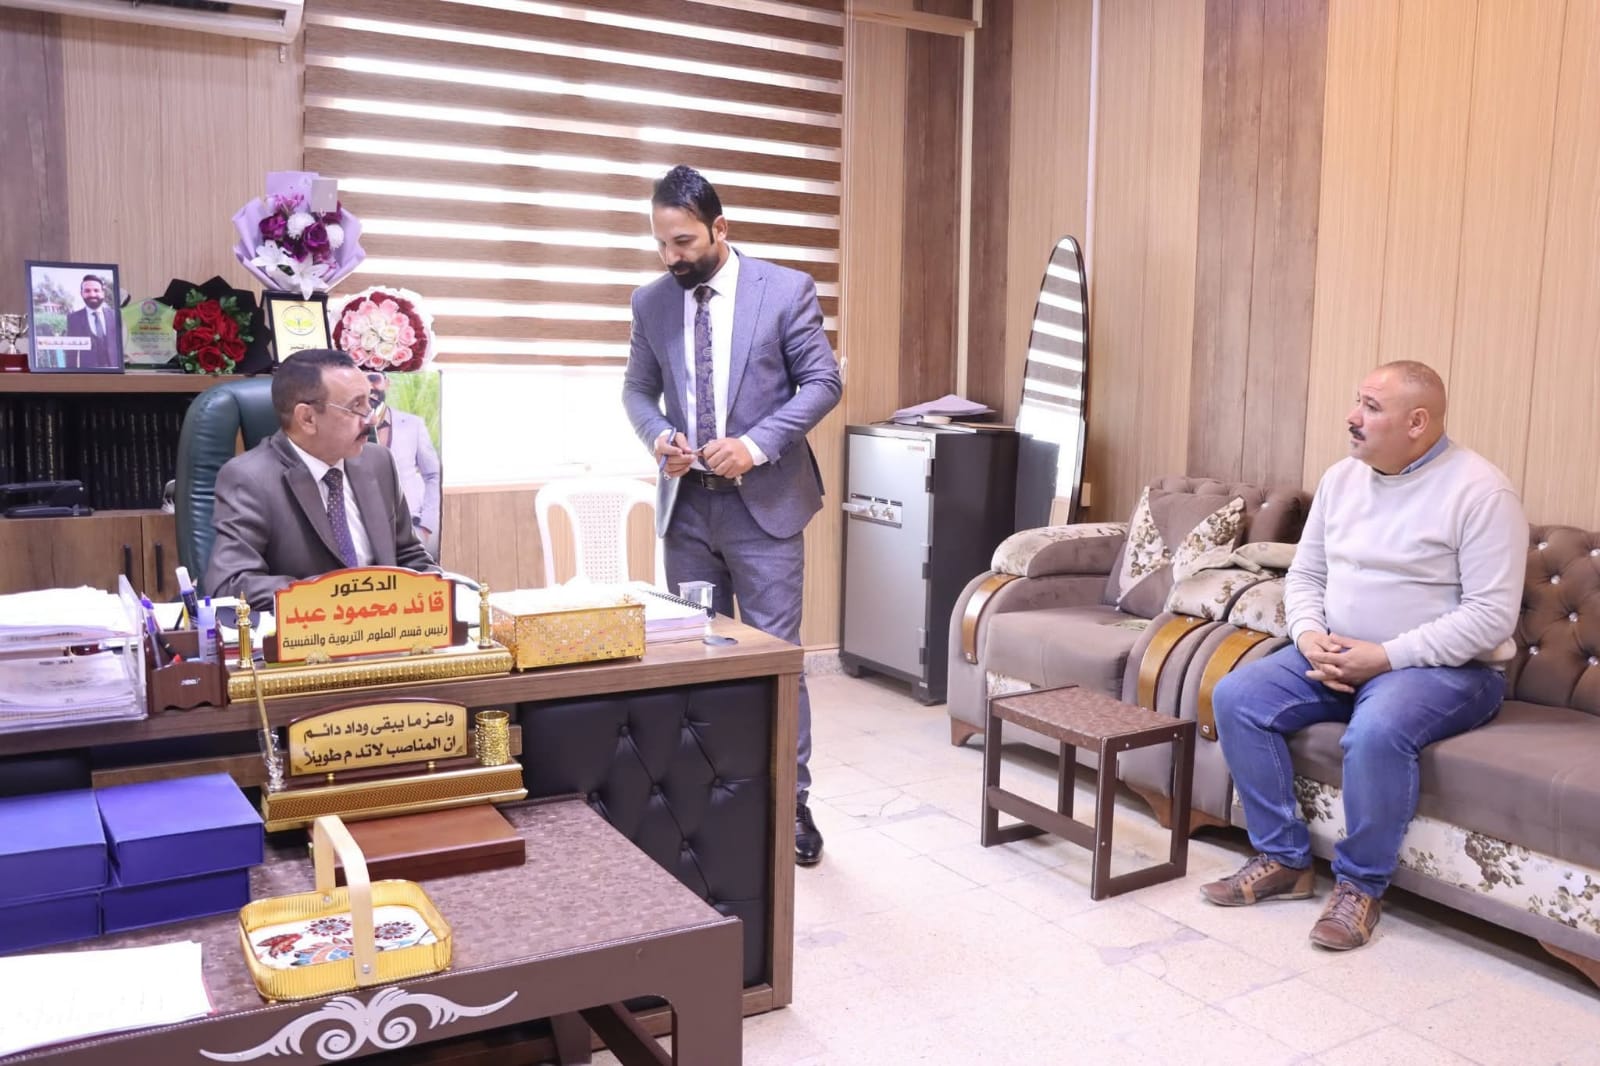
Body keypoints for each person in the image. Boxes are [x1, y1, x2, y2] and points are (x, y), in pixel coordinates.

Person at [1203, 360, 1526, 950]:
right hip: (1337, 652)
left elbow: (1490, 618)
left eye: (1371, 407)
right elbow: (1307, 575)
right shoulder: (1341, 478)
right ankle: (1283, 859)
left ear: (1417, 422)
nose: (1352, 417)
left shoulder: (1482, 491)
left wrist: (1385, 656)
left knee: (1374, 734)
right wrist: (1308, 635)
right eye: (1358, 402)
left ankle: (1360, 887)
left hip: (1447, 670)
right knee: (1236, 695)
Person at [622, 164, 842, 867]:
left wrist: (755, 444)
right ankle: (711, 797)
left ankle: (790, 803)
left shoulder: (785, 290)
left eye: (684, 242)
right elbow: (636, 391)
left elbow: (823, 383)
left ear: (720, 227)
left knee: (776, 659)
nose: (672, 257)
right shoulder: (651, 302)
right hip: (687, 508)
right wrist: (658, 436)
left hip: (765, 507)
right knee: (699, 658)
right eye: (662, 243)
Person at [206, 349, 437, 611]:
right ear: (307, 418)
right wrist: (338, 595)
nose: (372, 418)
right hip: (308, 630)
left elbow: (409, 556)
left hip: (388, 626)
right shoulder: (250, 478)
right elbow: (233, 584)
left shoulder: (379, 462)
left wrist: (443, 593)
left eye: (370, 402)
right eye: (356, 406)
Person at [367, 370, 442, 557]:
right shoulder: (344, 426)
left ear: (387, 382)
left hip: (410, 529)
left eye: (374, 378)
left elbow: (433, 475)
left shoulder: (412, 424)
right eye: (362, 379)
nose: (369, 386)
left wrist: (427, 524)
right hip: (363, 531)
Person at [62, 275, 118, 370]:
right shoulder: (74, 318)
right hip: (87, 374)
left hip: (115, 373)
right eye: (87, 291)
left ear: (103, 293)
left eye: (96, 290)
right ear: (82, 293)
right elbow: (71, 352)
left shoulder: (115, 315)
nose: (92, 294)